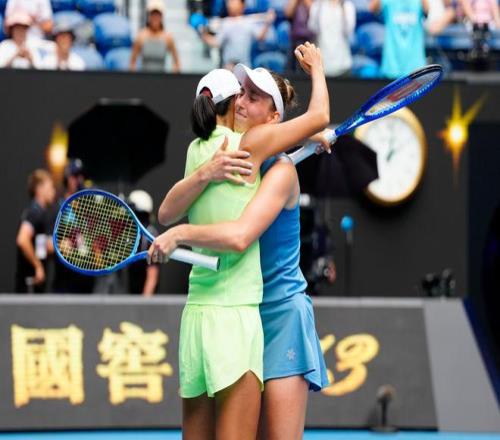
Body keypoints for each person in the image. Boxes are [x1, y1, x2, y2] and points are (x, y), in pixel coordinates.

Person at [152, 43, 329, 439]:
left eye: (254, 97)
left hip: (279, 311)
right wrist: (309, 137)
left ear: (274, 118)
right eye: (241, 94)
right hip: (240, 312)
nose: (242, 102)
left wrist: (317, 72)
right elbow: (167, 211)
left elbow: (240, 233)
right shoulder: (226, 155)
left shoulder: (279, 170)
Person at [50, 159, 95, 294]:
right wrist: (60, 245)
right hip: (64, 280)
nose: (79, 180)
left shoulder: (91, 209)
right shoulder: (57, 207)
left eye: (82, 176)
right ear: (67, 178)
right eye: (75, 176)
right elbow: (47, 243)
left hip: (87, 281)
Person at [201, 0, 276, 69]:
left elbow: (260, 38)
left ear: (243, 5)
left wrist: (268, 23)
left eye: (233, 2)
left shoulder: (249, 23)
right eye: (229, 2)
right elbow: (216, 43)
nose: (230, 5)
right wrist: (203, 33)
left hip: (245, 66)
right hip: (228, 67)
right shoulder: (225, 23)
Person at [15, 169, 56, 293]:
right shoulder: (35, 212)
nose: (53, 191)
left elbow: (41, 245)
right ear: (39, 189)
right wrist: (38, 266)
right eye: (50, 187)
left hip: (35, 286)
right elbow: (22, 240)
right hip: (29, 285)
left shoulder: (40, 212)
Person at [369, 0, 429, 78]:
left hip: (415, 66)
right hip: (392, 65)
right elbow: (373, 9)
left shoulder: (419, 2)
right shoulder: (388, 2)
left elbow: (428, 11)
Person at [129, 0, 181, 73]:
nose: (155, 17)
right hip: (144, 77)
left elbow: (177, 61)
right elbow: (132, 62)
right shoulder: (141, 36)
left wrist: (174, 75)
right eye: (153, 14)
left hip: (162, 78)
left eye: (158, 14)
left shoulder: (168, 37)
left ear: (161, 16)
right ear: (149, 16)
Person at [308, 0, 356, 77]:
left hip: (343, 63)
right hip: (322, 63)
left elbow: (348, 30)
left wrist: (342, 8)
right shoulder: (317, 5)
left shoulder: (347, 5)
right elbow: (312, 28)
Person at [127, 190, 160, 296]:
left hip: (145, 301)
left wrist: (143, 303)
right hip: (131, 298)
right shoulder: (131, 235)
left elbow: (152, 276)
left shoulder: (151, 236)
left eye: (131, 211)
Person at [285, 0, 316, 71]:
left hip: (310, 40)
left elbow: (314, 13)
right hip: (294, 40)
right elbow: (288, 13)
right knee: (291, 69)